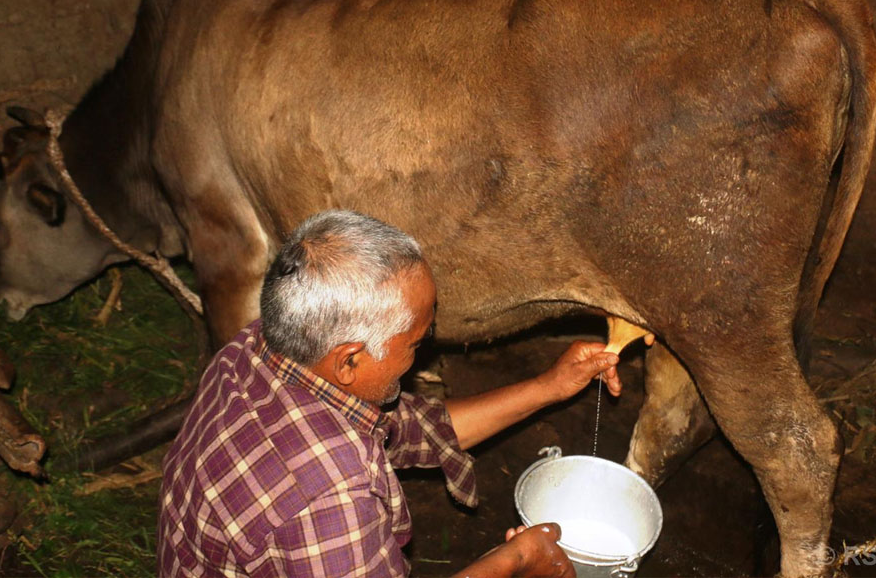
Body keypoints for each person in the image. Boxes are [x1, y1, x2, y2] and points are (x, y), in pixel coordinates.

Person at [158, 210, 625, 577]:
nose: (421, 353)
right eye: (416, 343)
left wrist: (550, 387)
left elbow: (410, 429)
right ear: (349, 360)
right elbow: (329, 486)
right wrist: (514, 562)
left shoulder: (256, 349)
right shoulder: (332, 501)